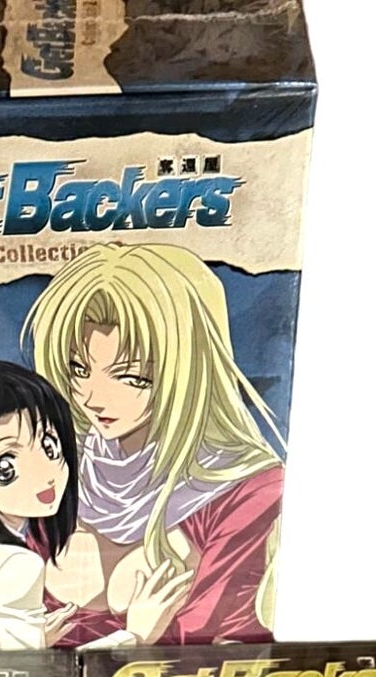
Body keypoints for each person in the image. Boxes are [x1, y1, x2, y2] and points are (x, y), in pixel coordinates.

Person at [25, 242, 284, 644]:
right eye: (78, 369)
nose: (92, 398)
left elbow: (220, 651)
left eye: (130, 376)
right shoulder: (59, 473)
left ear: (188, 370)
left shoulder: (248, 491)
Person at [0, 360, 193, 651]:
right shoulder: (16, 565)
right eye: (5, 467)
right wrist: (136, 634)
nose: (45, 473)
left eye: (49, 446)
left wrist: (23, 637)